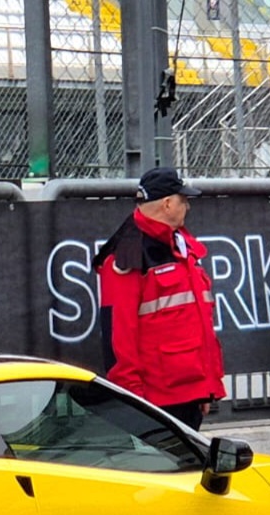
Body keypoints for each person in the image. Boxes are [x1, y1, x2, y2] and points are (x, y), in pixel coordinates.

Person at [93, 166, 225, 430]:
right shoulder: (128, 253)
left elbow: (197, 322)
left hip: (187, 392)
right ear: (167, 204)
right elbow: (119, 333)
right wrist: (132, 398)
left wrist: (204, 387)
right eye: (183, 200)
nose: (187, 207)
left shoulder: (179, 245)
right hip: (155, 399)